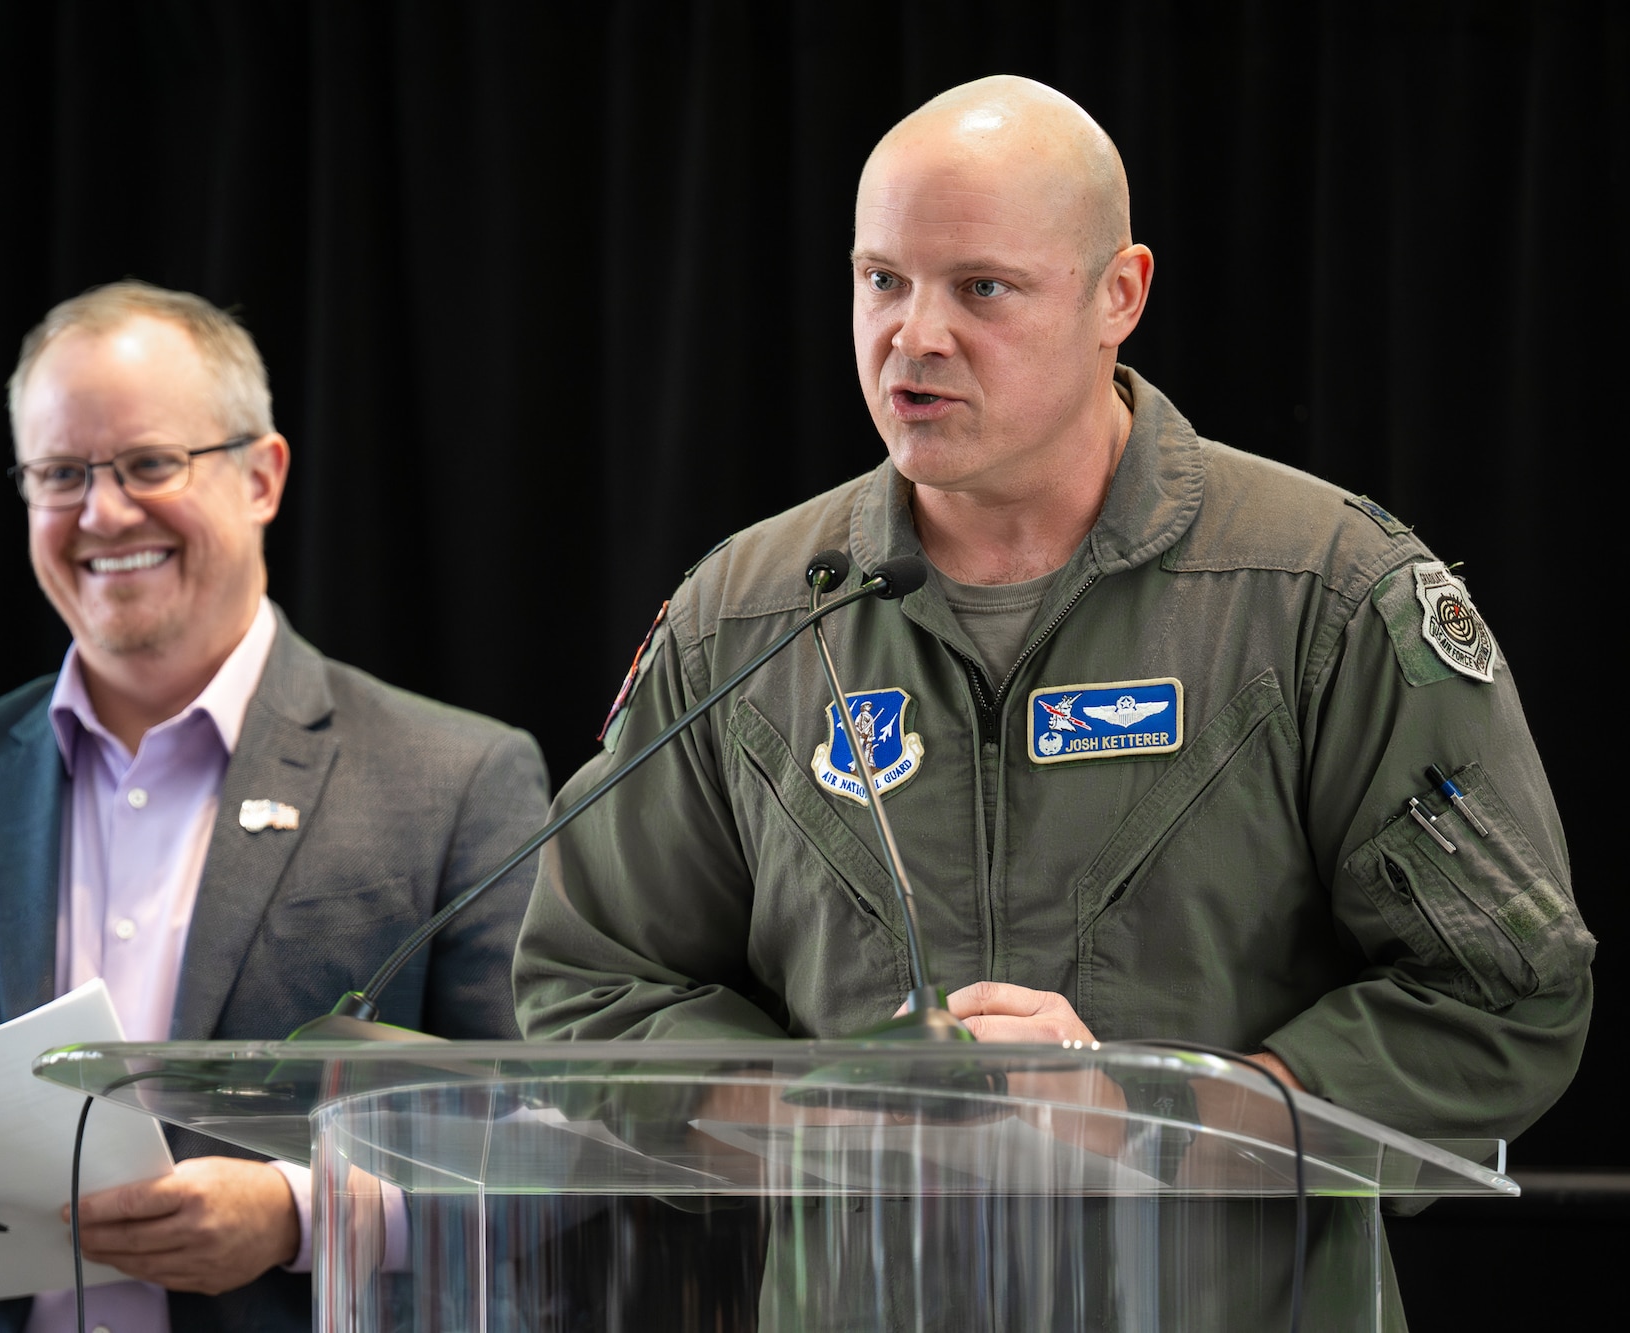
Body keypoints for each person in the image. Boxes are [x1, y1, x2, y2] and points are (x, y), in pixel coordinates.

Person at [513, 76, 1592, 1326]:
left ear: (1116, 296)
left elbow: (1504, 995)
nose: (913, 337)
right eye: (880, 280)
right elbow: (591, 986)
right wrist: (810, 1111)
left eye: (979, 287)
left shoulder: (1323, 593)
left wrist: (1164, 1115)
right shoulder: (746, 614)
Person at [0, 281, 550, 1332]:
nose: (103, 512)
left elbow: (545, 1144)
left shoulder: (456, 778)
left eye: (150, 464)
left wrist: (300, 1215)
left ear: (261, 475)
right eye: (61, 474)